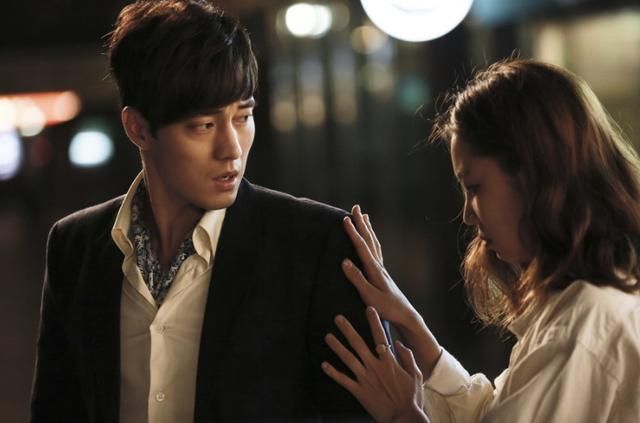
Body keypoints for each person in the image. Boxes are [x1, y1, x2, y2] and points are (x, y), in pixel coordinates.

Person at [30, 1, 383, 421]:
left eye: (243, 117)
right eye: (204, 125)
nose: (231, 149)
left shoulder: (317, 244)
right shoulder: (76, 246)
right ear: (138, 128)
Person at [321, 59, 640, 422]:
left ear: (534, 175)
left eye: (474, 187)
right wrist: (409, 322)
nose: (468, 215)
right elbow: (493, 413)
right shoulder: (583, 308)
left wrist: (403, 415)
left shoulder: (580, 328)